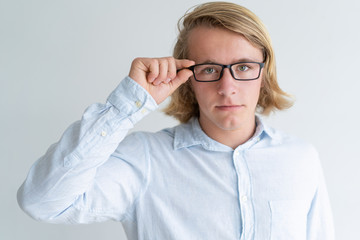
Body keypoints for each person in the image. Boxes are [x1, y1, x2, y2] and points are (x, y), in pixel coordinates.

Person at [17, 2, 335, 239]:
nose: (228, 88)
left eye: (243, 67)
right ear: (188, 78)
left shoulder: (300, 158)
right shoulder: (144, 160)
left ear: (263, 74)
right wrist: (128, 103)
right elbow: (42, 202)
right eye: (209, 69)